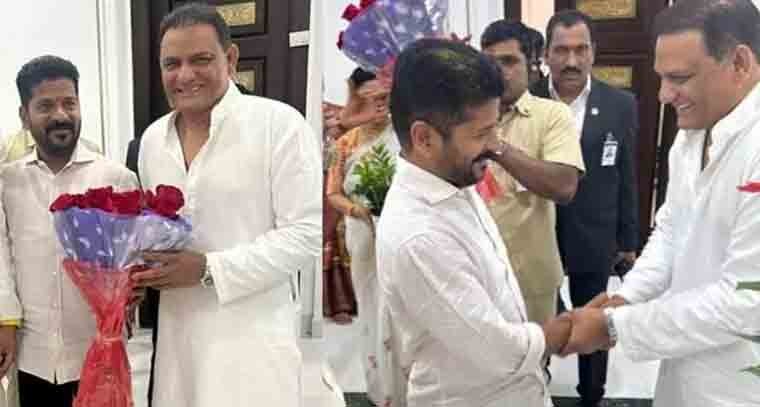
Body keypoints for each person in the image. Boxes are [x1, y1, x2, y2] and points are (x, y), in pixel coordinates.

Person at [559, 1, 760, 406]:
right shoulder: (692, 134)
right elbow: (671, 230)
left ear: (739, 63)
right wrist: (626, 297)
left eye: (679, 78)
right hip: (685, 363)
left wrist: (615, 326)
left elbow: (747, 299)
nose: (664, 95)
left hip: (742, 380)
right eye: (662, 77)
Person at [131, 4, 322, 407]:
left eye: (200, 60)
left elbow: (306, 234)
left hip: (252, 339)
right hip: (178, 337)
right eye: (172, 64)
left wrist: (209, 269)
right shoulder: (152, 141)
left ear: (230, 58)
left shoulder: (279, 125)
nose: (185, 75)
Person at [376, 38, 573, 407]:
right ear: (424, 138)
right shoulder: (419, 236)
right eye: (482, 134)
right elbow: (497, 350)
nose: (495, 145)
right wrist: (567, 332)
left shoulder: (453, 181)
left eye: (494, 128)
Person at [0, 55, 138, 406]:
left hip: (98, 349)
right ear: (24, 115)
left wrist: (131, 295)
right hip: (32, 353)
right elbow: (2, 258)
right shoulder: (8, 182)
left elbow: (134, 261)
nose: (60, 115)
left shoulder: (115, 178)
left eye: (69, 103)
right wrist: (5, 321)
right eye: (45, 106)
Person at [529, 10, 639, 406]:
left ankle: (592, 395)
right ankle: (533, 391)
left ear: (594, 52)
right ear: (546, 54)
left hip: (595, 234)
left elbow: (626, 174)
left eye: (581, 49)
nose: (571, 61)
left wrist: (628, 239)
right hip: (536, 233)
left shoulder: (620, 104)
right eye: (561, 50)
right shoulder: (528, 101)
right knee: (537, 319)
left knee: (595, 320)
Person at [480, 20, 584, 327]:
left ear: (532, 66)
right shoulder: (465, 116)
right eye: (490, 63)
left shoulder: (552, 115)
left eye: (509, 61)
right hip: (475, 274)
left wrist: (497, 147)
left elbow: (565, 186)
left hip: (531, 279)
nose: (498, 71)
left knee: (535, 355)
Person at [327, 67, 400, 406]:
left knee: (400, 307)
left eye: (384, 97)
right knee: (371, 307)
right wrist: (357, 211)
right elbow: (333, 193)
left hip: (401, 231)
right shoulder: (345, 143)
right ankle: (380, 391)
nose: (379, 105)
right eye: (371, 98)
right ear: (357, 99)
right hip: (362, 234)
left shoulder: (407, 135)